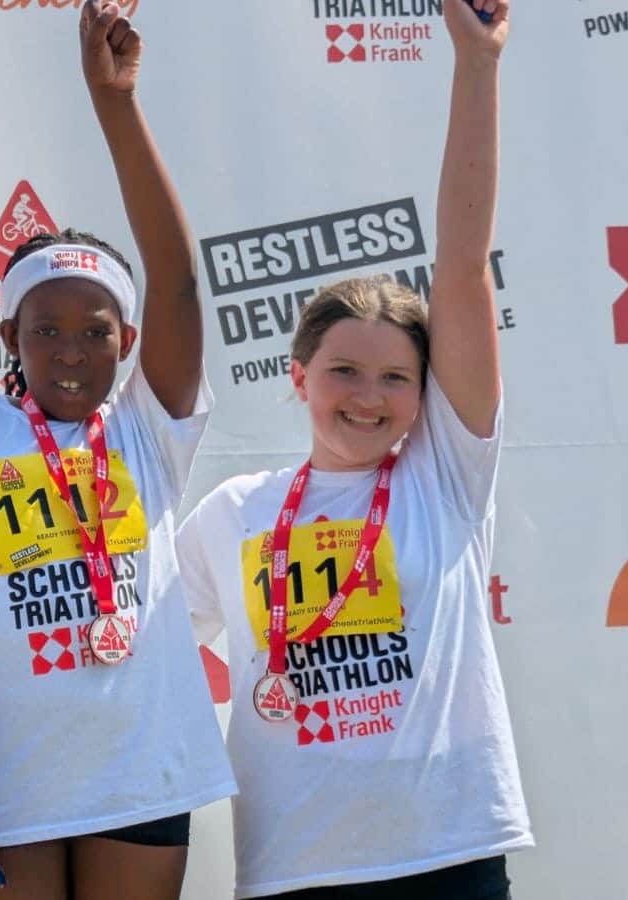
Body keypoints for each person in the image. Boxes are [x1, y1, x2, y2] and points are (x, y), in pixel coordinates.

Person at [0, 4, 236, 897]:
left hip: (140, 771)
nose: (72, 352)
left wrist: (116, 105)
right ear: (10, 336)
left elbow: (178, 282)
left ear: (128, 339)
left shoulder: (146, 425)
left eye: (95, 331)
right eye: (46, 330)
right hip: (3, 782)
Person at [176, 2, 532, 897]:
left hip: (447, 855)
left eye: (396, 378)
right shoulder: (234, 513)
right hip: (295, 869)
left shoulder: (445, 476)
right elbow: (144, 657)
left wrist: (477, 64)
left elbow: (461, 265)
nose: (368, 398)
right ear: (297, 376)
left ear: (425, 393)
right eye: (344, 371)